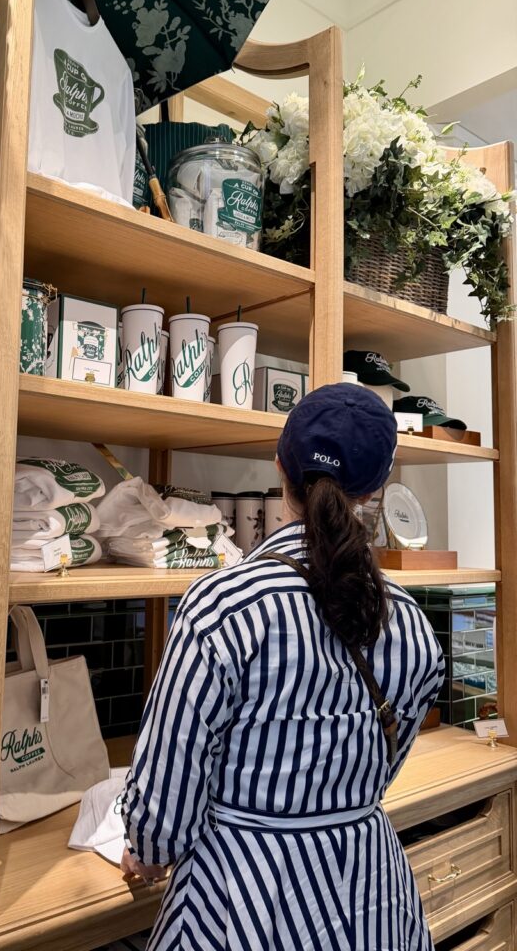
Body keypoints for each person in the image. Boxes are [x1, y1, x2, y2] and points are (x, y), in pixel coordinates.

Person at [121, 384, 445, 951]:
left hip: (238, 899)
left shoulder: (221, 605)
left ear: (279, 465)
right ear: (376, 490)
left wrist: (147, 850)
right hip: (371, 896)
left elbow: (161, 816)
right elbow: (381, 763)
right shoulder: (414, 625)